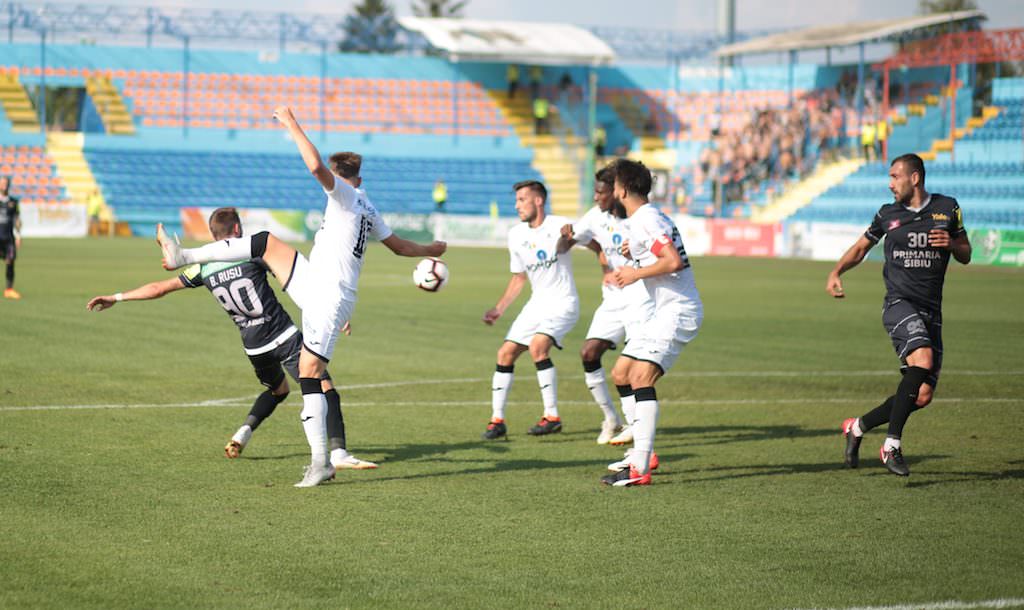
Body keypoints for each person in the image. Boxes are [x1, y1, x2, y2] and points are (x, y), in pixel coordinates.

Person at [156, 106, 446, 487]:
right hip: (316, 280)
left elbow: (314, 167)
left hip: (331, 293)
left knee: (310, 372)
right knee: (262, 243)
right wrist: (433, 249)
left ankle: (322, 462)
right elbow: (401, 247)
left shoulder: (345, 195)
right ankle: (185, 256)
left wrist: (291, 123)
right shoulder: (368, 207)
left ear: (346, 179)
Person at [87, 207, 376, 470]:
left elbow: (160, 287)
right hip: (283, 336)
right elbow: (292, 279)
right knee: (325, 388)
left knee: (278, 391)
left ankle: (243, 433)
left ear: (214, 235)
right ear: (237, 231)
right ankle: (338, 453)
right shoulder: (252, 254)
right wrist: (328, 311)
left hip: (254, 347)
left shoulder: (203, 267)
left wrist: (117, 296)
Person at [829, 153, 971, 477]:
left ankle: (857, 427)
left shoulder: (948, 208)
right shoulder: (886, 213)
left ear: (915, 178)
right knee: (921, 360)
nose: (890, 183)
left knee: (921, 394)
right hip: (898, 304)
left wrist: (950, 242)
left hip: (931, 310)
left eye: (895, 176)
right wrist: (836, 271)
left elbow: (966, 253)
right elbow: (861, 248)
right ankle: (891, 445)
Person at [601, 158, 703, 487]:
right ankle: (641, 455)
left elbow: (672, 261)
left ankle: (641, 466)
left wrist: (634, 272)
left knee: (642, 376)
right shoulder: (646, 219)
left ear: (623, 188)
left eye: (614, 183)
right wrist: (638, 256)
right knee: (622, 373)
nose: (611, 188)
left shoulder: (646, 219)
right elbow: (662, 254)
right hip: (662, 311)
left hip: (678, 311)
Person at [560, 166, 655, 444]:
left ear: (617, 192)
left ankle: (636, 428)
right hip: (613, 299)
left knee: (631, 369)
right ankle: (611, 418)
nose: (596, 197)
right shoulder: (595, 217)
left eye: (601, 192)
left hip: (641, 298)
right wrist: (573, 239)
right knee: (589, 353)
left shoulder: (640, 217)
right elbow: (565, 246)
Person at [481, 180, 578, 440]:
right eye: (516, 200)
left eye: (522, 199)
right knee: (505, 354)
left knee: (537, 347)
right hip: (537, 304)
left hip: (562, 301)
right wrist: (499, 309)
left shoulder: (560, 225)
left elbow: (585, 243)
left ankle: (552, 416)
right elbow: (519, 278)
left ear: (538, 200)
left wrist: (606, 268)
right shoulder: (516, 235)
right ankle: (497, 420)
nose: (517, 206)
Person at [0, 175, 21, 300]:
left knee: (10, 261)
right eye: (2, 183)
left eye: (6, 183)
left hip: (8, 238)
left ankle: (9, 289)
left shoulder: (13, 202)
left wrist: (18, 235)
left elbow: (17, 220)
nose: (4, 185)